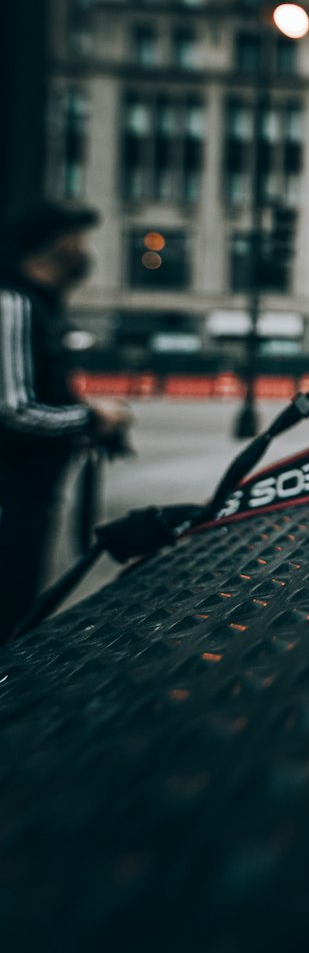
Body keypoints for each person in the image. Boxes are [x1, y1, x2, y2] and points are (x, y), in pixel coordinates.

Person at [0, 201, 132, 643]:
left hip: (29, 494)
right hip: (11, 496)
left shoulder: (40, 307)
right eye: (79, 239)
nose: (83, 251)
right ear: (59, 246)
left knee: (17, 605)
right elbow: (14, 410)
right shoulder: (14, 303)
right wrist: (90, 417)